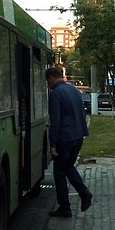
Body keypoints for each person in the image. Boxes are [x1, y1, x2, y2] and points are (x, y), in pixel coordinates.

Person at [45, 67, 93, 218]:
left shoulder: (55, 94)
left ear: (51, 78)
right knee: (68, 166)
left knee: (59, 171)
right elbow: (82, 112)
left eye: (47, 81)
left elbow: (55, 121)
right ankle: (84, 193)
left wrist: (52, 144)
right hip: (77, 136)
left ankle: (65, 207)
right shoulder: (73, 90)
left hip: (64, 138)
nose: (48, 84)